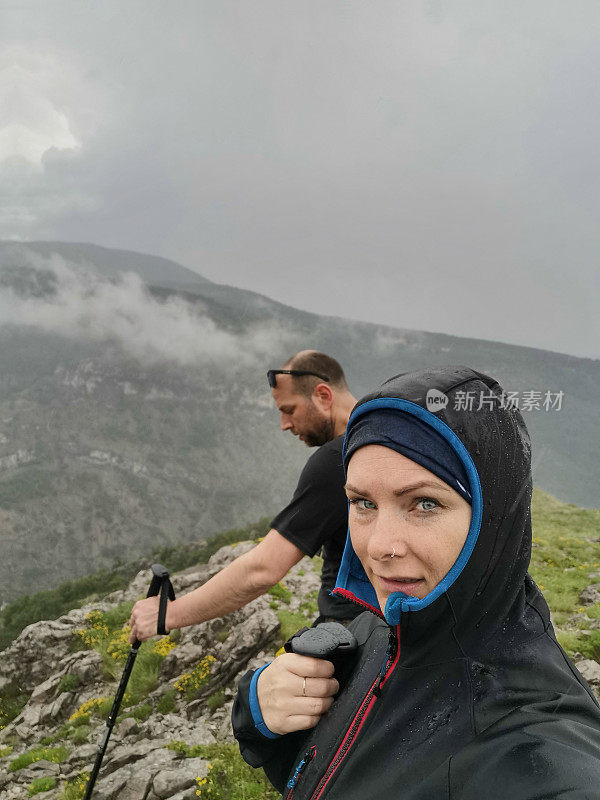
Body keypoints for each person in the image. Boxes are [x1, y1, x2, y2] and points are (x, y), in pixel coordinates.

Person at [232, 365, 600, 799]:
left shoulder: (538, 749)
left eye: (425, 503)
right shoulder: (384, 626)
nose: (379, 546)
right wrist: (257, 714)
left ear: (493, 518)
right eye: (363, 502)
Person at [128, 350, 360, 643]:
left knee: (256, 688)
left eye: (289, 410)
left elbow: (262, 570)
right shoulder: (380, 435)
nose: (284, 424)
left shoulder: (337, 459)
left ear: (323, 396)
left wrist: (167, 614)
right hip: (385, 626)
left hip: (351, 632)